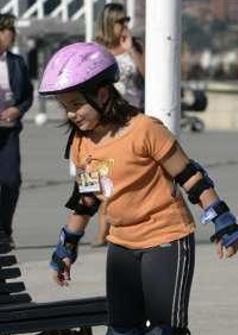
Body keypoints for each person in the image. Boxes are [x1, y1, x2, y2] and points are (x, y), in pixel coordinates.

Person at [38, 42, 238, 335]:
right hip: (123, 245)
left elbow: (191, 176)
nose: (72, 114)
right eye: (65, 107)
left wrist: (222, 220)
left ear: (104, 94)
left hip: (168, 238)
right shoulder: (81, 144)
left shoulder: (145, 130)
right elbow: (87, 197)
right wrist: (67, 243)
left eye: (76, 105)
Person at [91, 3, 145, 248]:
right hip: (104, 118)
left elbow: (150, 73)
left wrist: (130, 50)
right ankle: (101, 229)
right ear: (108, 23)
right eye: (120, 21)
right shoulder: (96, 49)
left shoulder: (133, 46)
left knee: (125, 173)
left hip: (131, 115)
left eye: (126, 20)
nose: (125, 26)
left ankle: (110, 229)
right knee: (100, 175)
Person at [0, 13, 32, 250]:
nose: (11, 36)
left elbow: (27, 95)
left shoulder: (17, 62)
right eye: (8, 31)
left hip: (9, 131)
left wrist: (17, 110)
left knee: (11, 181)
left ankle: (4, 229)